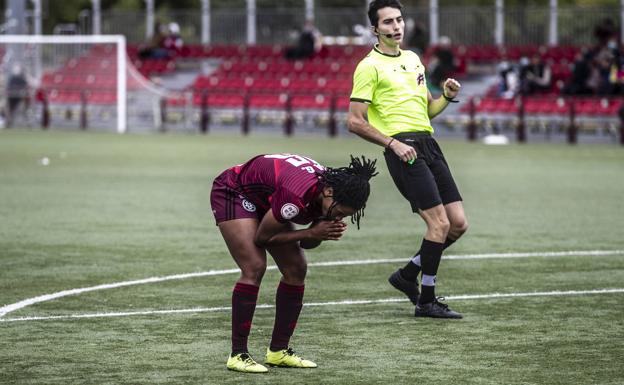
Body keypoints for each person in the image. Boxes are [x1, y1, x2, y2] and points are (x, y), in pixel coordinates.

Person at [347, 0, 467, 319]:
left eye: (399, 20)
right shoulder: (368, 66)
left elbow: (428, 111)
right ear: (375, 28)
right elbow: (355, 121)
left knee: (457, 225)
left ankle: (406, 275)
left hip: (428, 144)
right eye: (387, 22)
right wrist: (392, 144)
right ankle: (426, 300)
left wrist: (447, 97)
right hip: (404, 150)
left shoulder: (414, 59)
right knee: (438, 224)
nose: (396, 26)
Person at [211, 153, 377, 373]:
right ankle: (238, 354)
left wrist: (320, 233)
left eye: (345, 216)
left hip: (270, 199)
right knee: (254, 266)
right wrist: (312, 231)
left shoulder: (330, 191)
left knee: (296, 268)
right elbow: (262, 239)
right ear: (328, 193)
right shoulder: (298, 194)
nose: (339, 218)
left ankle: (278, 351)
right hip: (235, 192)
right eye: (338, 213)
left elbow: (308, 245)